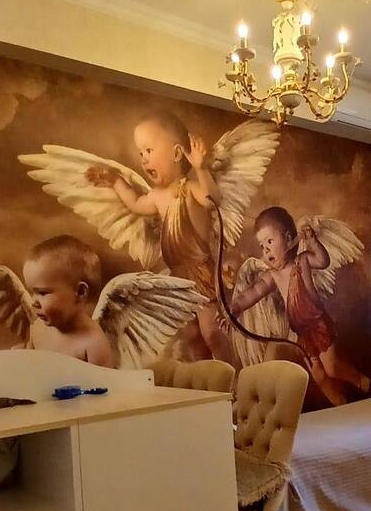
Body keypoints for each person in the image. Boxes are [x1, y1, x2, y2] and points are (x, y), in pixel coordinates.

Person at [87, 111, 225, 357]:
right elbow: (135, 203)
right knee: (191, 335)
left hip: (200, 271)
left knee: (211, 331)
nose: (144, 159)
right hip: (178, 275)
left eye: (149, 151)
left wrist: (201, 168)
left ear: (176, 154)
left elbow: (213, 199)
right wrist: (116, 180)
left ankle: (233, 372)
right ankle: (208, 376)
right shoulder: (156, 196)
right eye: (141, 153)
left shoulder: (191, 187)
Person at [232, 206, 370, 406]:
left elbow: (323, 261)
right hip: (303, 333)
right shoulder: (272, 275)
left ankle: (361, 381)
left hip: (317, 324)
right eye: (262, 246)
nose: (266, 250)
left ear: (288, 238)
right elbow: (252, 292)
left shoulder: (302, 261)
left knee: (331, 368)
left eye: (270, 241)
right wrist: (234, 308)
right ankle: (340, 404)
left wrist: (313, 243)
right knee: (319, 375)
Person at [22, 235, 115, 366]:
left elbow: (104, 379)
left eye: (42, 293)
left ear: (80, 292)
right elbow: (30, 367)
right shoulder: (38, 328)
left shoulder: (93, 344)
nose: (33, 302)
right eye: (32, 292)